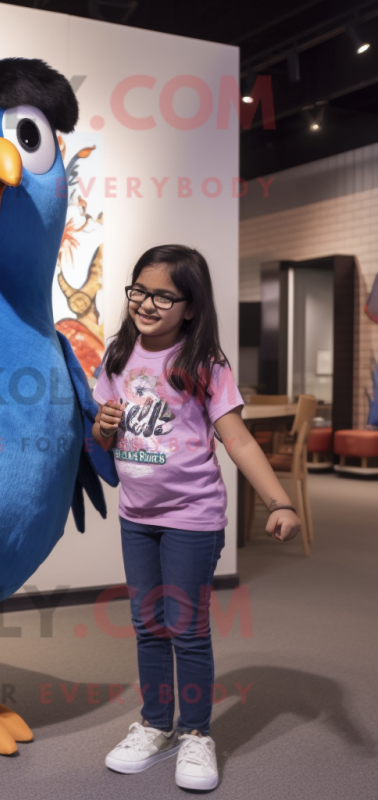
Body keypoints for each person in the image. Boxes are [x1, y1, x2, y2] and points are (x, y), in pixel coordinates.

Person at [91, 244, 301, 791]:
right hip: (137, 516)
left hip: (192, 517)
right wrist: (105, 425)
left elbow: (238, 440)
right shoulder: (116, 357)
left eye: (164, 295)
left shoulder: (203, 363)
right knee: (147, 624)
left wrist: (280, 501)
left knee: (186, 628)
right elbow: (103, 439)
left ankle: (197, 734)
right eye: (140, 290)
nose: (148, 303)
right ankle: (156, 725)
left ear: (190, 306)